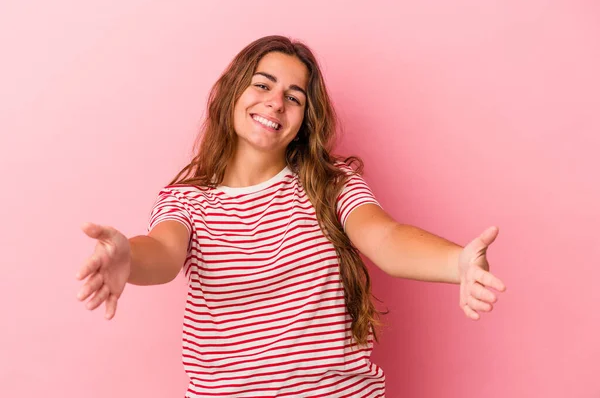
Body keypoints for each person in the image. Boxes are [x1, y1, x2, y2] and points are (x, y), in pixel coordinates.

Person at [75, 35, 506, 398]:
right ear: (232, 92)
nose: (276, 102)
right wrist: (127, 257)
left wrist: (457, 262)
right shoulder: (187, 202)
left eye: (293, 97)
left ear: (303, 120)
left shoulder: (331, 184)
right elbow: (164, 252)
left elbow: (386, 238)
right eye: (262, 85)